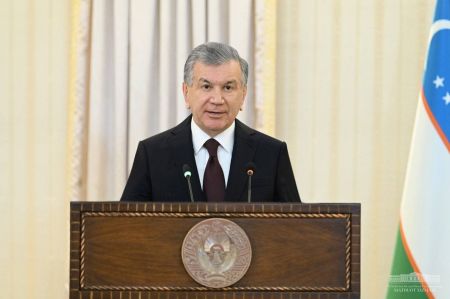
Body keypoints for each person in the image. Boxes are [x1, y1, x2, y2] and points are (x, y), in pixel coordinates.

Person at [121, 42, 301, 202]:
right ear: (186, 92)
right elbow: (126, 229)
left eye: (228, 87)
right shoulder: (153, 154)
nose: (217, 99)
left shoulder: (271, 154)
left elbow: (295, 229)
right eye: (206, 87)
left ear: (243, 95)